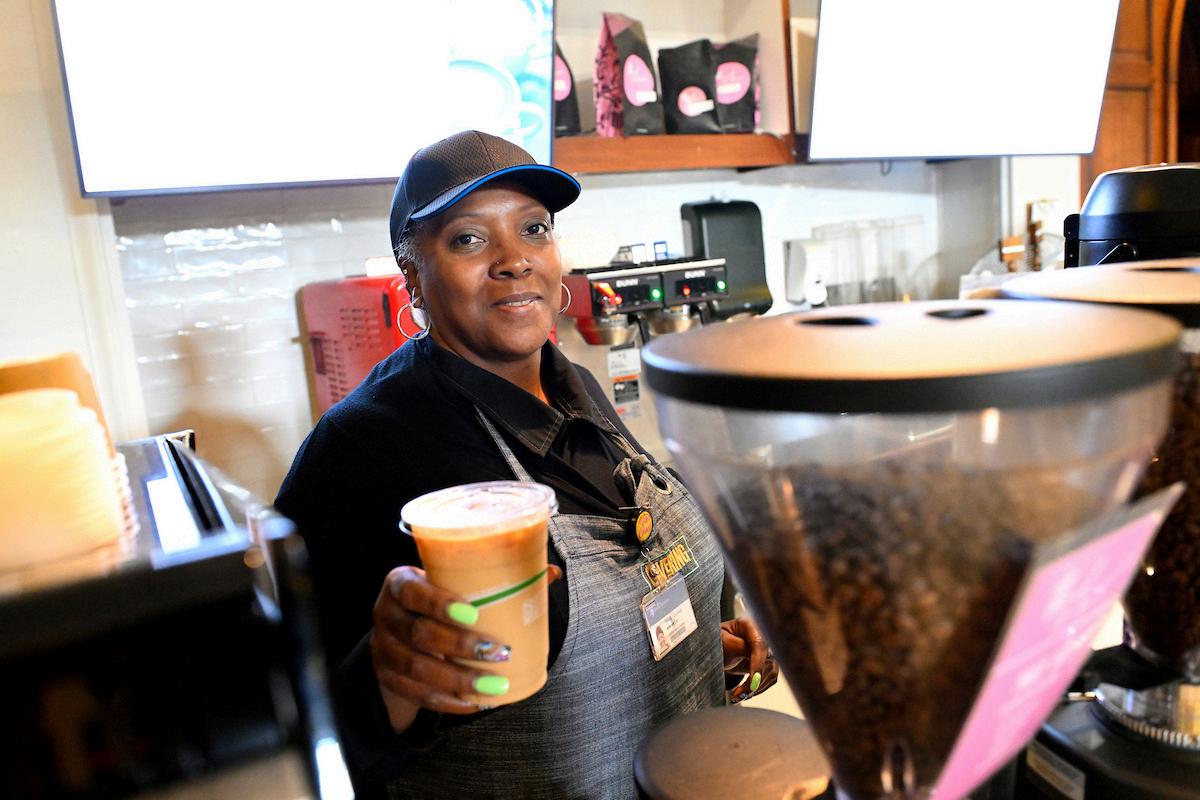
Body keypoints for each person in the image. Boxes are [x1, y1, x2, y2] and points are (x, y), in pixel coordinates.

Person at [275, 130, 777, 799]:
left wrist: (699, 648)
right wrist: (385, 682)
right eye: (469, 239)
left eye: (533, 229)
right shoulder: (365, 448)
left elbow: (622, 591)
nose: (514, 260)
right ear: (413, 277)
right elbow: (290, 741)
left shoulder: (572, 384)